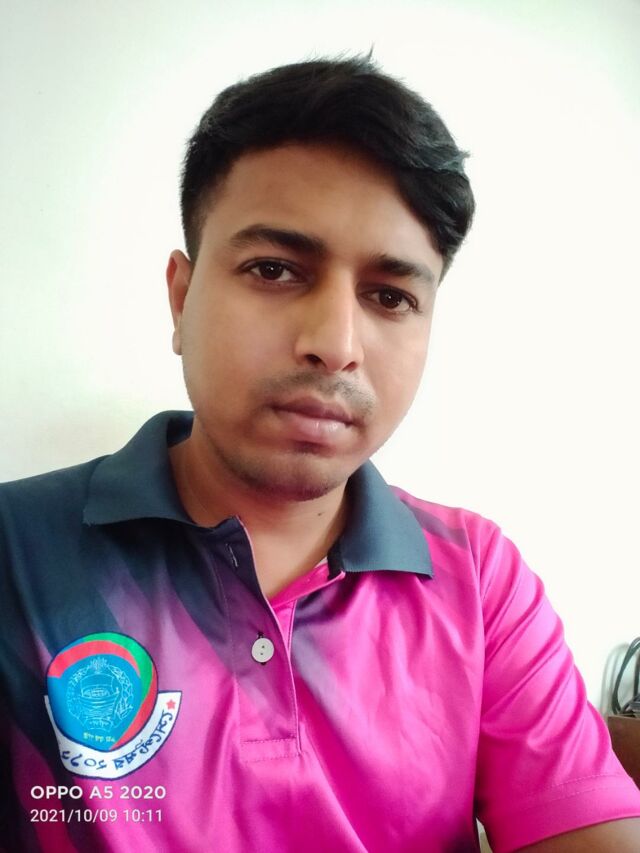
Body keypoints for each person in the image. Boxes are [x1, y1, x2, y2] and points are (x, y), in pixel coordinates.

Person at [1, 53, 639, 853]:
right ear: (181, 297)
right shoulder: (16, 553)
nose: (336, 345)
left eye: (390, 296)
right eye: (274, 269)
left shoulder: (480, 581)